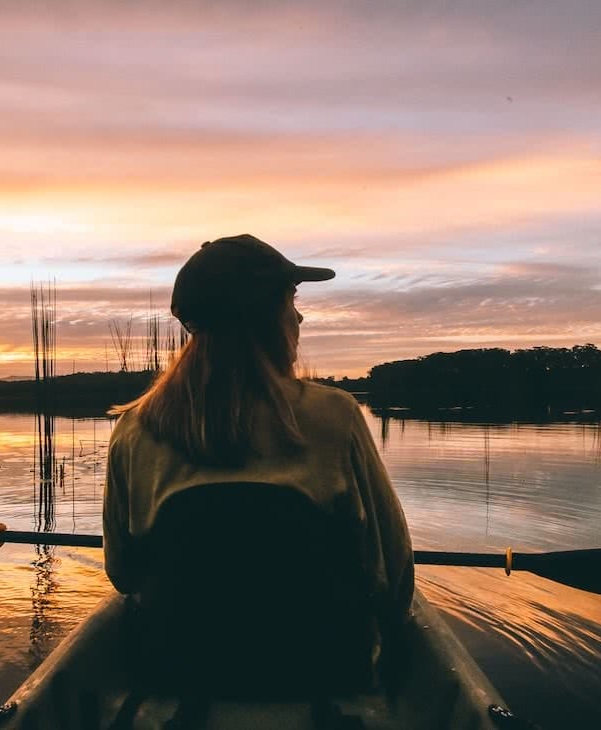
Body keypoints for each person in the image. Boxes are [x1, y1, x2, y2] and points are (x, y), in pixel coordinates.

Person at [102, 234, 414, 687]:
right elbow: (393, 570)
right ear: (267, 315)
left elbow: (123, 574)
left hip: (179, 676)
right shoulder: (335, 415)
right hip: (321, 677)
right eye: (292, 299)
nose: (300, 314)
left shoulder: (133, 428)